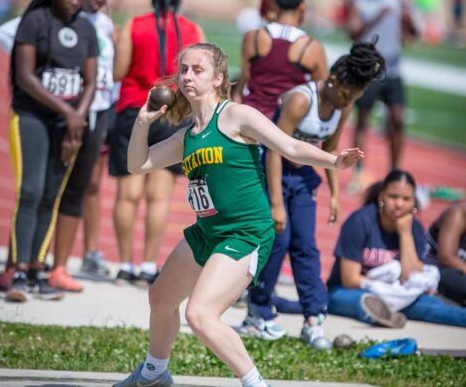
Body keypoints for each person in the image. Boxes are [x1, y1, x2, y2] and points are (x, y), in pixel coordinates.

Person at [115, 42, 363, 387]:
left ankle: (256, 383)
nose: (187, 76)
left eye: (197, 70)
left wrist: (333, 161)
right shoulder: (189, 135)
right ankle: (155, 373)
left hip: (245, 232)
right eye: (183, 69)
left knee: (200, 314)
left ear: (218, 79)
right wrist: (142, 122)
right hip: (208, 231)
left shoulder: (235, 116)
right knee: (160, 298)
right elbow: (136, 164)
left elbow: (289, 146)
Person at [239, 40, 385, 345]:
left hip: (304, 177)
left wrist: (333, 193)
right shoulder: (300, 101)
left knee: (306, 245)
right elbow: (276, 149)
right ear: (333, 79)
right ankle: (257, 313)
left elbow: (330, 150)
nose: (347, 101)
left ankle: (313, 318)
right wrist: (276, 202)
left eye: (353, 97)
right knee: (278, 241)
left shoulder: (343, 104)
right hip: (274, 171)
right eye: (346, 93)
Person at [3, 0, 98, 302]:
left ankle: (37, 270)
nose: (76, 2)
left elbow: (91, 81)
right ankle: (17, 271)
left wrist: (77, 121)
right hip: (32, 117)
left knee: (50, 194)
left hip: (68, 126)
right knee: (29, 192)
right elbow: (25, 76)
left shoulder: (86, 29)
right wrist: (67, 111)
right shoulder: (36, 21)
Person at [110, 0, 205, 287]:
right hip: (174, 116)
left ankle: (124, 265)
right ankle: (149, 266)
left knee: (128, 194)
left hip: (135, 112)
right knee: (159, 197)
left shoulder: (133, 26)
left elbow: (119, 72)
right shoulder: (193, 30)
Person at [327, 170, 466, 328]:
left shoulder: (415, 229)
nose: (399, 204)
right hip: (350, 292)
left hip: (397, 295)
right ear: (381, 197)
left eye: (406, 199)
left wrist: (405, 234)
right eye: (393, 197)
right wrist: (385, 290)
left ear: (414, 202)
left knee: (434, 307)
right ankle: (382, 314)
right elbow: (349, 279)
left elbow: (411, 275)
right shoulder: (359, 222)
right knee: (363, 302)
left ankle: (386, 313)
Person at [49, 0, 116, 291]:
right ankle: (29, 261)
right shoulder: (60, 21)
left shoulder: (103, 23)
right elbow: (8, 35)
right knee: (48, 186)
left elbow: (108, 69)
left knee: (86, 185)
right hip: (69, 112)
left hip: (100, 110)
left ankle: (70, 261)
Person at [348, 0, 416, 192]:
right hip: (369, 72)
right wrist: (376, 17)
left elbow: (413, 33)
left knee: (397, 119)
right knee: (362, 120)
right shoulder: (361, 2)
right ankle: (359, 171)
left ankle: (395, 168)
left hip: (393, 70)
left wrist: (409, 22)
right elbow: (353, 32)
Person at [233, 0, 328, 118]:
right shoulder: (312, 47)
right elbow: (322, 95)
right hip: (286, 132)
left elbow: (242, 84)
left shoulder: (253, 37)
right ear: (303, 6)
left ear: (274, 3)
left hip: (249, 122)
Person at [425, 202, 466, 306]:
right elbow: (446, 258)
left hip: (459, 275)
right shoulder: (458, 214)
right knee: (447, 276)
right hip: (434, 272)